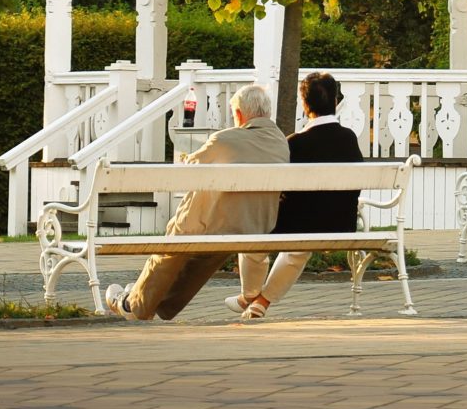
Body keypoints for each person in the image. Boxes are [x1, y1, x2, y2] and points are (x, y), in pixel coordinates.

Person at [103, 83, 287, 322]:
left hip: (212, 227)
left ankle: (133, 305)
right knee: (204, 254)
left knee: (171, 246)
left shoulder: (224, 139)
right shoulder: (281, 142)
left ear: (239, 114)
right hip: (255, 228)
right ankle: (161, 305)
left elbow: (188, 171)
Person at [228, 71, 365, 321]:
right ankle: (261, 302)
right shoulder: (349, 139)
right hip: (340, 226)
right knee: (300, 246)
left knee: (254, 237)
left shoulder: (294, 143)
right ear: (335, 101)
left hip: (298, 226)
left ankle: (250, 295)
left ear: (305, 104)